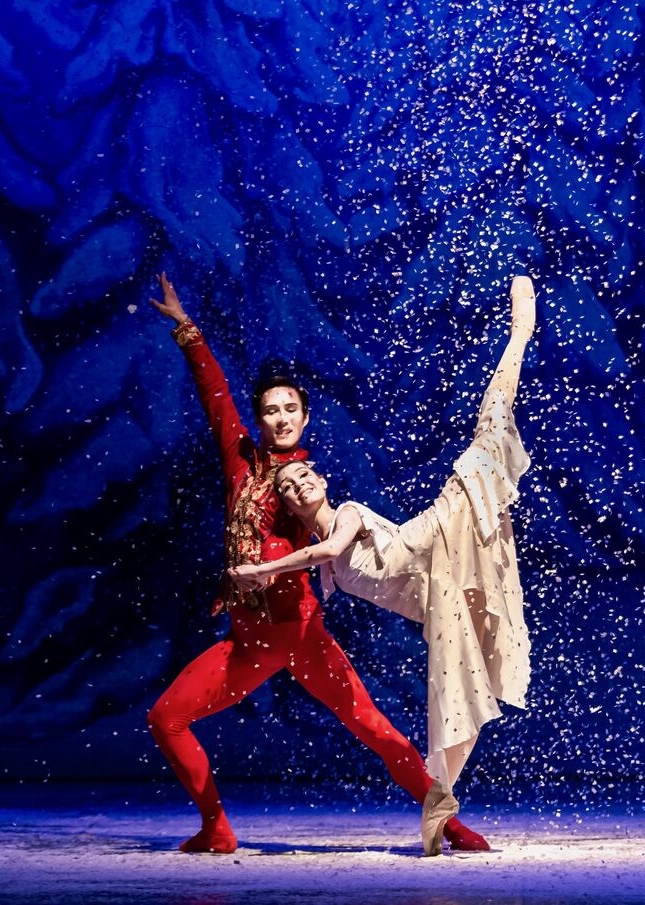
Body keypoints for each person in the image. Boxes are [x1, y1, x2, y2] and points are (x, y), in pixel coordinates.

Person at [143, 273, 492, 855]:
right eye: (271, 411)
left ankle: (449, 824)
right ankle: (217, 828)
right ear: (259, 420)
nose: (281, 418)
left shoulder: (304, 482)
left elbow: (328, 538)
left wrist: (283, 553)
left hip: (297, 632)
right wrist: (187, 330)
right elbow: (216, 398)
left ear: (305, 419)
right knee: (166, 718)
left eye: (291, 410)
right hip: (249, 639)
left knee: (374, 729)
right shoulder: (241, 464)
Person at [230, 275, 535, 855]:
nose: (298, 484)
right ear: (288, 502)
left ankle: (519, 335)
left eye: (304, 476)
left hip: (437, 534)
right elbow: (311, 553)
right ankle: (441, 801)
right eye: (289, 486)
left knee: (486, 440)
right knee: (461, 695)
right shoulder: (316, 557)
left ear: (321, 479)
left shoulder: (344, 516)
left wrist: (265, 570)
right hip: (436, 591)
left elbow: (326, 551)